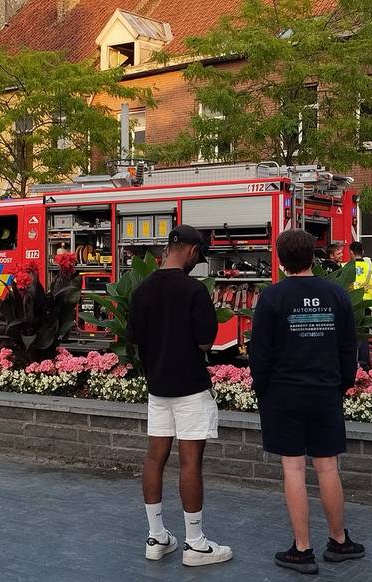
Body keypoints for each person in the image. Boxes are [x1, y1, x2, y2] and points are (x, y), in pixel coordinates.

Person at [250, 229, 365, 574]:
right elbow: (350, 348)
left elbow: (260, 354)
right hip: (325, 392)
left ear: (281, 260)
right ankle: (339, 540)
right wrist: (341, 383)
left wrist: (263, 389)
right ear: (313, 257)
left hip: (284, 394)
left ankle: (302, 550)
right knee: (328, 466)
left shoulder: (271, 298)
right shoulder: (337, 295)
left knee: (293, 469)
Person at [127, 224, 232, 567]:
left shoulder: (141, 290)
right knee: (190, 462)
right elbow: (205, 343)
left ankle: (156, 537)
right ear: (190, 250)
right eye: (199, 255)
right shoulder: (194, 290)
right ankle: (196, 544)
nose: (197, 261)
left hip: (157, 387)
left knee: (154, 458)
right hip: (190, 388)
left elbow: (136, 341)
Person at [348, 242, 372, 371]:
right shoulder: (370, 267)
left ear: (351, 252)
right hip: (366, 306)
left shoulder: (345, 266)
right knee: (363, 335)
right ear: (362, 252)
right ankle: (363, 364)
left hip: (351, 305)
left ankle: (351, 363)